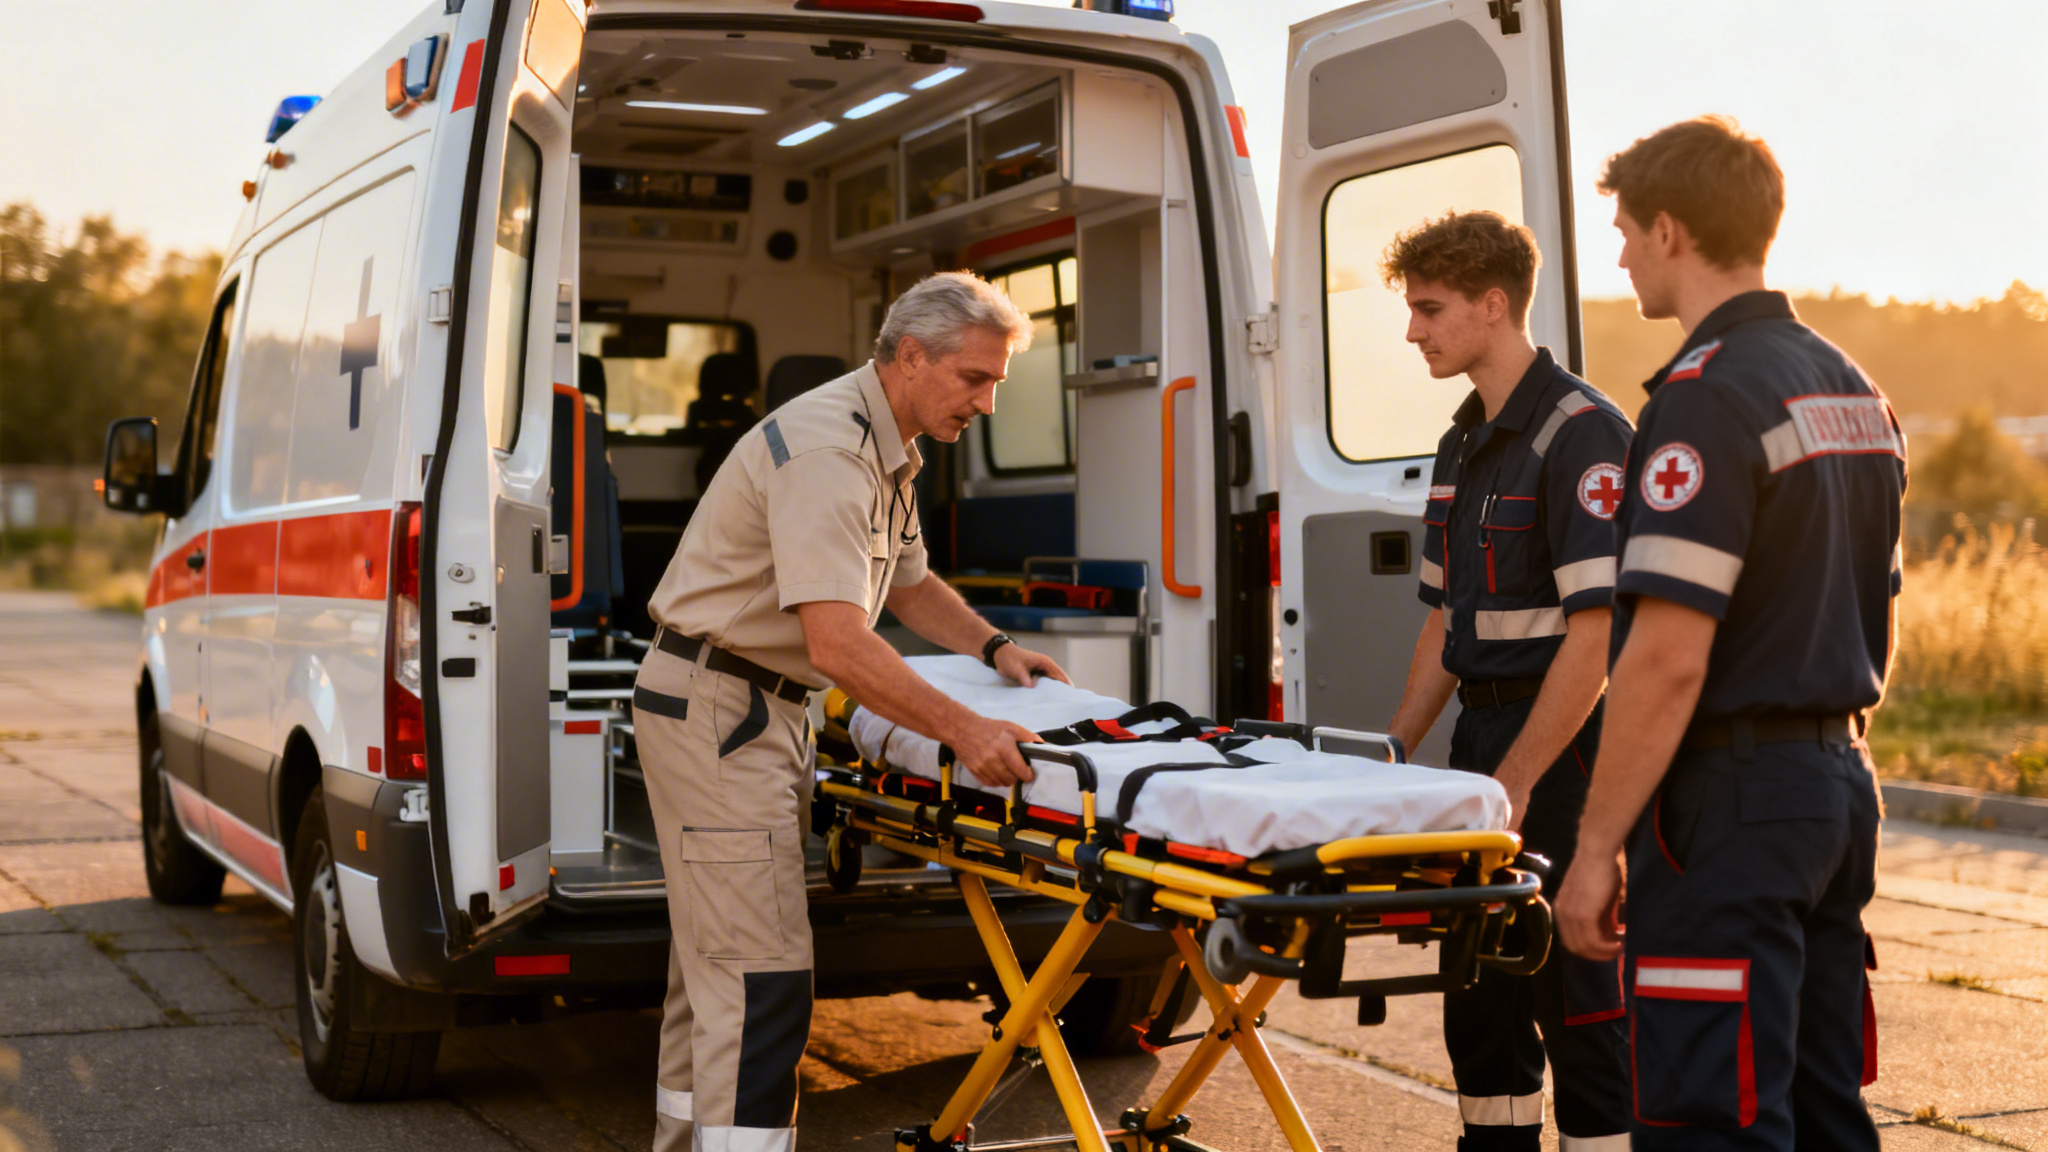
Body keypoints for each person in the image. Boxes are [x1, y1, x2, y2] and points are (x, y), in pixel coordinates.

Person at [630, 271, 1072, 1152]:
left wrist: (993, 648)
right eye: (974, 379)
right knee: (761, 983)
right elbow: (835, 643)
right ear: (910, 358)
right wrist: (968, 730)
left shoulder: (886, 440)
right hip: (724, 710)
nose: (986, 403)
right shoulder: (833, 451)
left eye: (996, 383)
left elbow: (905, 583)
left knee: (714, 970)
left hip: (748, 708)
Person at [1552, 117, 1905, 1151]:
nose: (1617, 254)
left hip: (1734, 808)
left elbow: (1664, 657)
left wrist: (1592, 851)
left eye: (1622, 231)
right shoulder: (1850, 389)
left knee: (1712, 1118)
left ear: (1669, 230)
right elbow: (1863, 598)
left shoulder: (1704, 400)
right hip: (1835, 786)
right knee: (1820, 1111)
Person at [1381, 211, 1635, 1152]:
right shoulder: (1463, 442)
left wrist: (1519, 781)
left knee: (1580, 1008)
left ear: (1494, 305)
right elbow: (1447, 625)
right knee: (1479, 1004)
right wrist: (1393, 754)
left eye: (1430, 310)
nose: (1414, 332)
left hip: (1561, 759)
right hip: (1478, 754)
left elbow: (1597, 637)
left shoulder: (1584, 437)